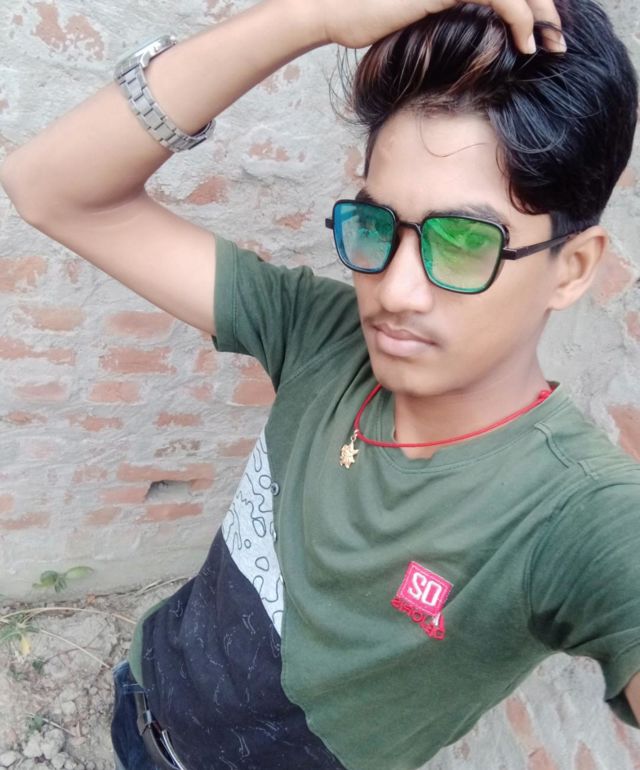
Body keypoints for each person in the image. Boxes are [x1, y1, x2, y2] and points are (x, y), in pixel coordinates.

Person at [1, 0, 639, 768]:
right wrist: (311, 17)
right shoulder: (324, 335)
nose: (395, 291)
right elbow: (48, 188)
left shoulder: (574, 518)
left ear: (571, 268)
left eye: (464, 242)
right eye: (378, 226)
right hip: (143, 695)